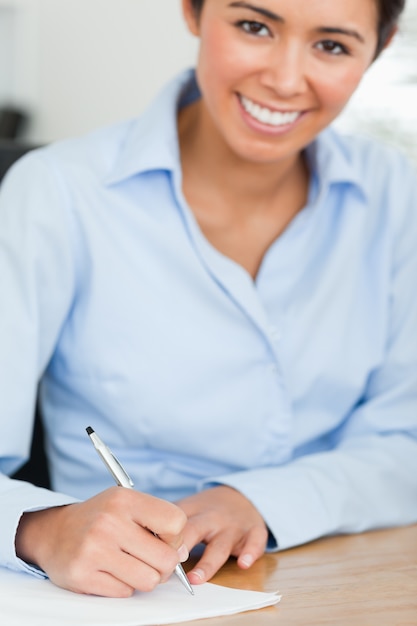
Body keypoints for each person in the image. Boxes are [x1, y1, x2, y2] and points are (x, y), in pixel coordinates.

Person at [0, 0, 416, 599]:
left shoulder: (395, 193)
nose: (285, 79)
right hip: (133, 594)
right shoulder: (58, 193)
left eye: (332, 45)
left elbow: (406, 440)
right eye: (254, 26)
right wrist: (41, 529)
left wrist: (257, 501)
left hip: (350, 578)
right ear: (192, 12)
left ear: (379, 46)